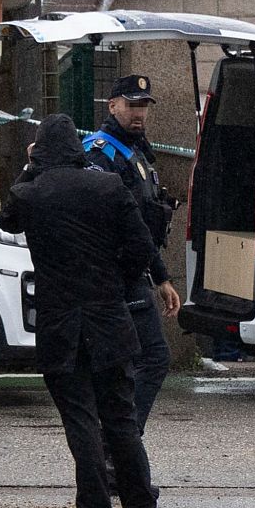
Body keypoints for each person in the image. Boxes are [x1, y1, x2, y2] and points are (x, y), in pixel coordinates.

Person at [0, 114, 164, 508]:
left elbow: (6, 219)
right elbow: (143, 247)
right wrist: (116, 279)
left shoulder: (32, 193)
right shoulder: (108, 187)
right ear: (78, 148)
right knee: (122, 420)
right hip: (110, 320)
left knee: (82, 424)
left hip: (61, 326)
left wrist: (30, 166)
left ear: (41, 151)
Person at [83, 75, 183, 431]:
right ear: (112, 106)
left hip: (136, 270)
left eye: (143, 105)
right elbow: (109, 220)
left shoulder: (137, 150)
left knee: (132, 363)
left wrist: (161, 276)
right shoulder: (101, 152)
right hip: (114, 274)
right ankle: (120, 442)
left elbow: (143, 222)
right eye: (131, 104)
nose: (138, 112)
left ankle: (116, 443)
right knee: (151, 357)